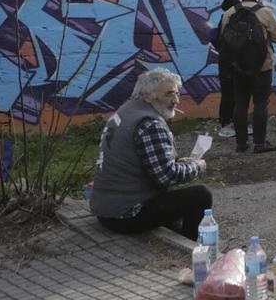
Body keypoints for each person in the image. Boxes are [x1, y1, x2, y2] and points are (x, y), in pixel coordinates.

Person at [90, 68, 212, 240]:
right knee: (201, 195)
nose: (176, 100)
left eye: (177, 94)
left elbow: (149, 163)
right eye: (169, 94)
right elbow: (167, 176)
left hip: (106, 208)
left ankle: (175, 230)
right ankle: (191, 244)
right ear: (147, 96)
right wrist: (196, 166)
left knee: (173, 198)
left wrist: (179, 163)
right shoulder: (150, 124)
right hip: (125, 215)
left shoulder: (127, 110)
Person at [220, 0, 276, 153]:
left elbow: (224, 39)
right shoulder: (265, 12)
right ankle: (259, 144)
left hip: (237, 67)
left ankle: (241, 144)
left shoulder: (229, 13)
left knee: (240, 104)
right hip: (262, 67)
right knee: (260, 104)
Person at [214, 0, 241, 139]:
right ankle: (226, 122)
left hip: (225, 65)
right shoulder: (229, 22)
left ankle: (227, 122)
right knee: (230, 96)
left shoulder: (224, 21)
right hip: (230, 66)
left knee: (228, 95)